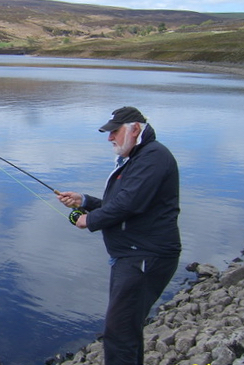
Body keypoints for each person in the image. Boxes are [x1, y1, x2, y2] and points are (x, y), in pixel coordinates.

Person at [57, 106, 181, 365]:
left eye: (115, 131)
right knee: (126, 329)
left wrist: (88, 220)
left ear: (135, 129)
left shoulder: (153, 157)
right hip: (132, 256)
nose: (110, 138)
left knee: (119, 332)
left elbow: (128, 205)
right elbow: (121, 204)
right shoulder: (138, 158)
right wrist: (85, 201)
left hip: (145, 257)